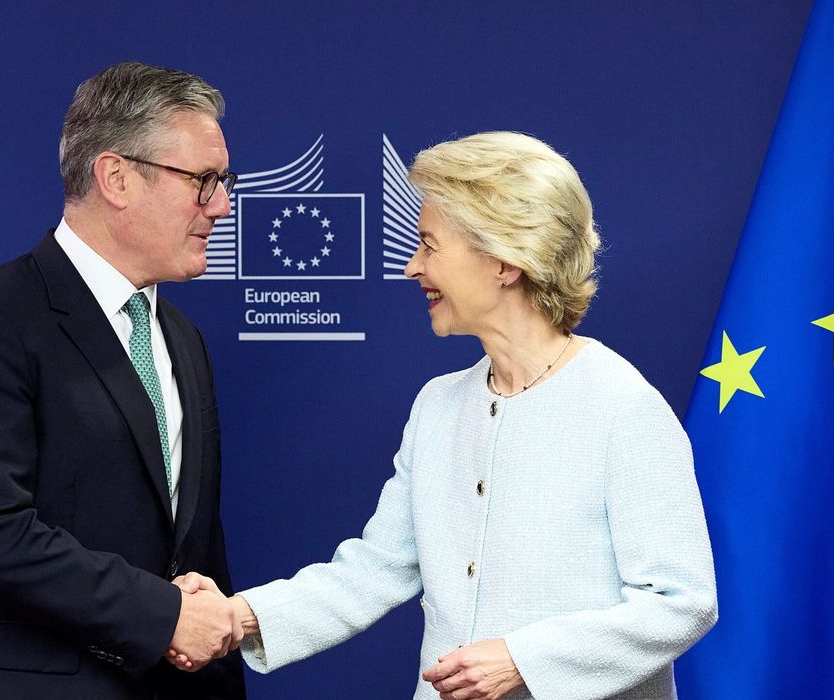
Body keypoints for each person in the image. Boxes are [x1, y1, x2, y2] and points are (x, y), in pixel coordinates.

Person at [175, 131, 717, 699]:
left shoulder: (621, 406)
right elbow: (376, 568)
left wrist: (523, 659)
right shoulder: (437, 405)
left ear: (505, 259)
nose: (412, 267)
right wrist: (240, 616)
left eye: (429, 245)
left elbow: (682, 601)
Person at [0, 62, 246, 700]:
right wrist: (163, 617)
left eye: (223, 182)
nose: (222, 205)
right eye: (204, 181)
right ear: (116, 177)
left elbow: (193, 557)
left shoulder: (183, 341)